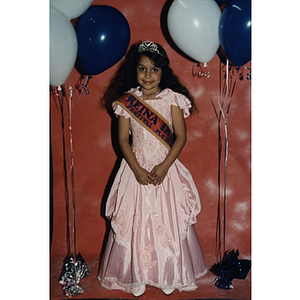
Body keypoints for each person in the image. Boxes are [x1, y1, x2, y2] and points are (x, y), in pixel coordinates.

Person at [98, 40, 207, 297]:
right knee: (136, 221)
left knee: (166, 219)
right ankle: (137, 276)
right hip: (135, 170)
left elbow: (180, 136)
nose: (148, 75)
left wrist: (165, 166)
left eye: (154, 69)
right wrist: (135, 168)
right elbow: (123, 139)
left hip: (164, 170)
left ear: (163, 72)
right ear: (134, 71)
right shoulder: (127, 102)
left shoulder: (172, 99)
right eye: (143, 69)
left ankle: (169, 272)